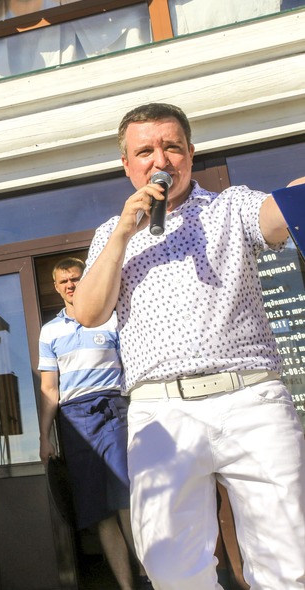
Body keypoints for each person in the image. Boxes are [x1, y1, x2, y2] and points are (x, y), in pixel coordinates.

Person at [72, 102, 305, 589]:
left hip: (251, 399)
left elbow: (275, 219)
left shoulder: (230, 204)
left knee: (290, 561)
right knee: (170, 566)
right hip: (161, 412)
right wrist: (122, 233)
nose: (160, 160)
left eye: (171, 146)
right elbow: (89, 312)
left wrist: (295, 197)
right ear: (127, 165)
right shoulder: (109, 237)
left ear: (190, 154)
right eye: (145, 150)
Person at [37, 257, 142, 590]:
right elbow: (49, 389)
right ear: (56, 288)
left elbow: (132, 370)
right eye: (63, 281)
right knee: (100, 512)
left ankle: (150, 578)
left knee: (126, 500)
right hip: (74, 422)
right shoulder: (50, 331)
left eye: (76, 278)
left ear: (86, 280)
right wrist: (44, 436)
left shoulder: (111, 320)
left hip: (114, 411)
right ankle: (127, 587)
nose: (71, 285)